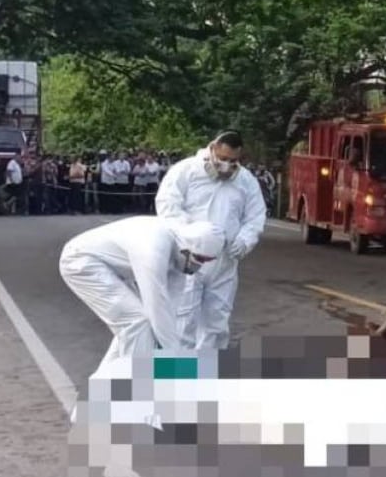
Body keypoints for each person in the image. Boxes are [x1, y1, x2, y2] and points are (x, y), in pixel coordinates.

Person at [60, 218, 225, 376]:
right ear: (187, 247)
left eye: (206, 261)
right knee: (138, 324)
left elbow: (171, 308)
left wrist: (173, 353)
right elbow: (156, 304)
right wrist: (173, 358)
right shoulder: (154, 248)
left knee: (131, 332)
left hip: (111, 270)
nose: (200, 265)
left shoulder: (179, 250)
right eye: (200, 259)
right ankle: (139, 392)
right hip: (81, 263)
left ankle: (98, 396)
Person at [155, 130, 267, 349]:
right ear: (213, 149)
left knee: (217, 322)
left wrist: (245, 240)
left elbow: (255, 215)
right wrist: (189, 235)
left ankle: (208, 373)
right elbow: (168, 205)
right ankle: (178, 375)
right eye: (223, 159)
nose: (226, 166)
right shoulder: (186, 171)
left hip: (224, 261)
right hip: (188, 258)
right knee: (182, 319)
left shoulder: (245, 180)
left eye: (233, 161)